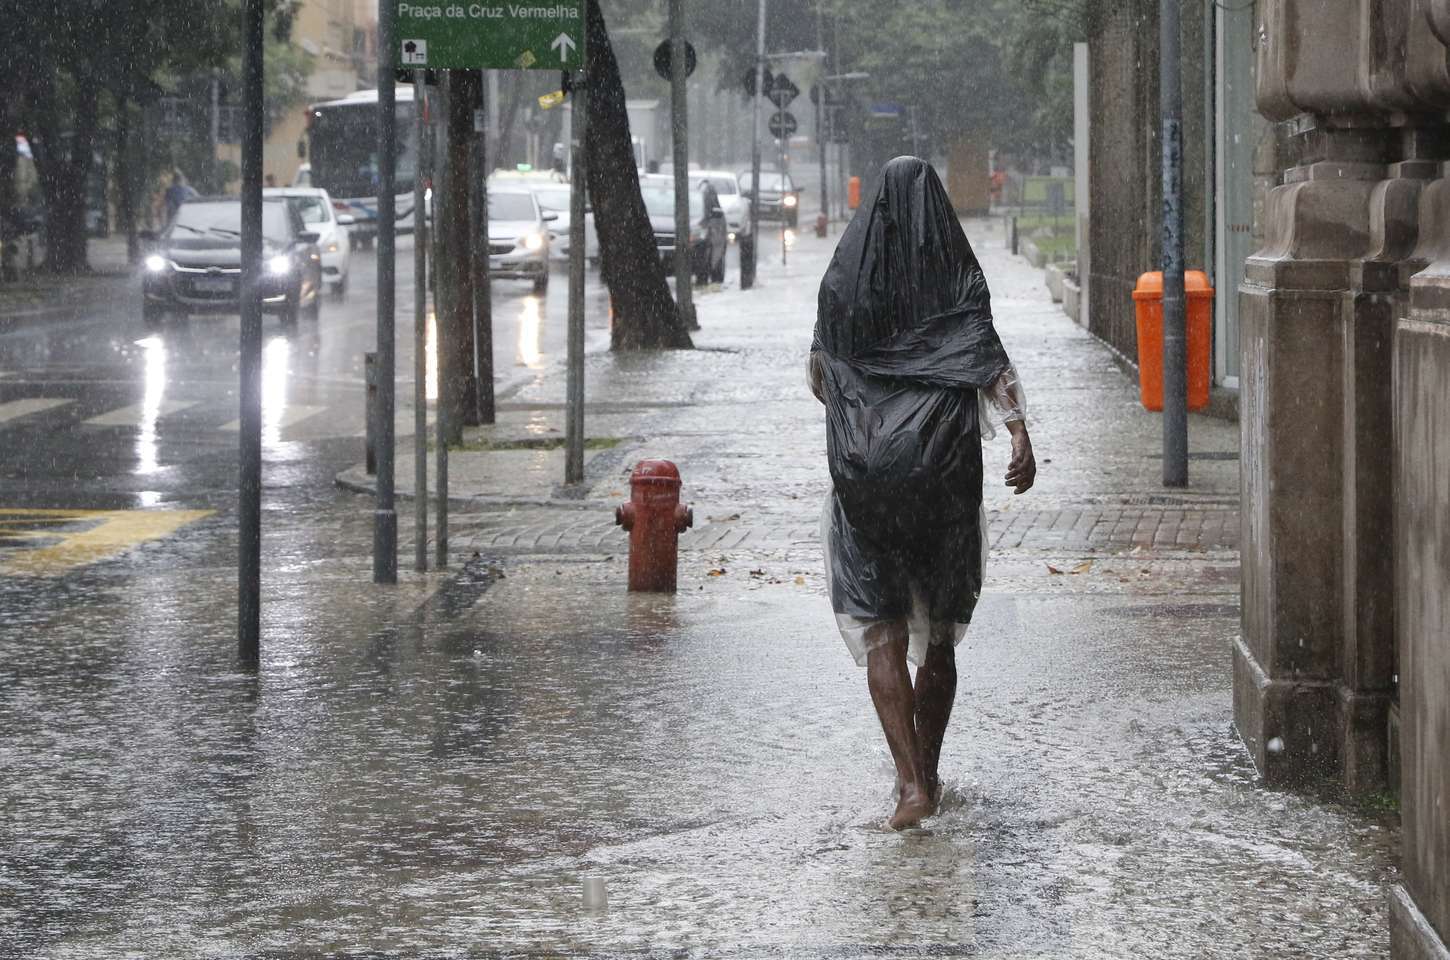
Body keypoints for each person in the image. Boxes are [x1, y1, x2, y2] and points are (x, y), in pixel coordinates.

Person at [810, 156, 1036, 830]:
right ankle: (931, 769)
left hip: (867, 486)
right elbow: (990, 365)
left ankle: (910, 786)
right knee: (937, 636)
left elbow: (822, 377)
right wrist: (1021, 436)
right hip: (944, 482)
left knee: (880, 630)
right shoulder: (955, 279)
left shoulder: (845, 287)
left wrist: (875, 407)